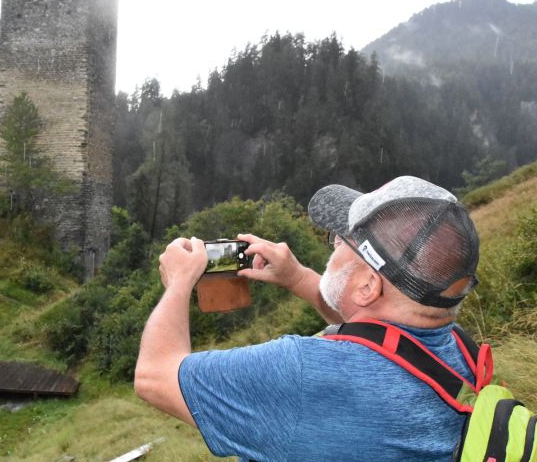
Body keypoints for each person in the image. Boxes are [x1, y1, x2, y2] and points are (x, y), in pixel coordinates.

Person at [134, 176, 481, 461]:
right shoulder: (459, 352)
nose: (333, 248)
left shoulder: (300, 374)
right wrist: (297, 277)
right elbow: (378, 329)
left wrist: (178, 284)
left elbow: (154, 375)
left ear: (367, 285)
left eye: (340, 241)